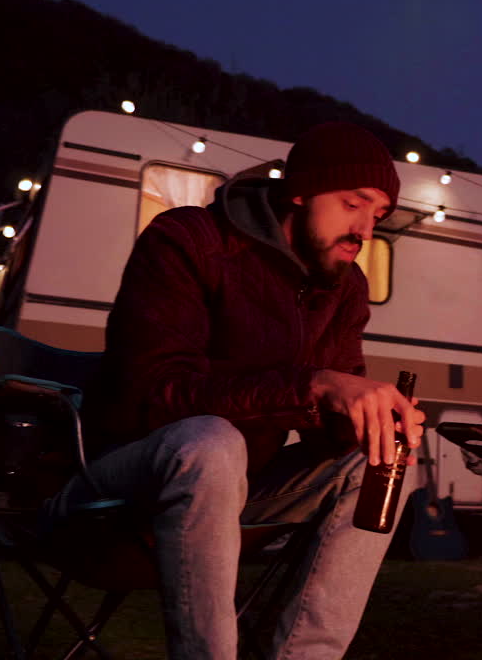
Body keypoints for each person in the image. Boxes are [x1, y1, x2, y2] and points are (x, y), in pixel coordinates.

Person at [43, 121, 426, 659]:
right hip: (114, 483)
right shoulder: (191, 240)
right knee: (211, 442)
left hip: (239, 493)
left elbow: (324, 440)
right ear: (301, 189)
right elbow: (153, 395)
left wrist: (364, 420)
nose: (365, 229)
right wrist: (313, 385)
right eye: (352, 204)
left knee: (386, 457)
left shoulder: (343, 286)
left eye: (378, 215)